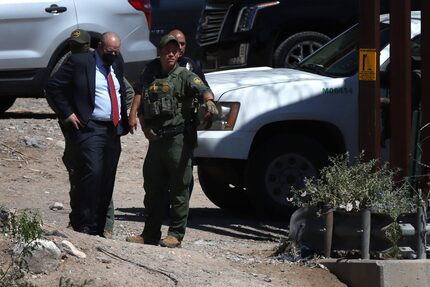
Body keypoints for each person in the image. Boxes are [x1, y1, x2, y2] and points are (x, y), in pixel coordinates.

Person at [126, 34, 218, 247]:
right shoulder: (150, 73)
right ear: (159, 52)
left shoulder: (185, 75)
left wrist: (210, 102)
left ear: (179, 54)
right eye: (166, 50)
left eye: (174, 51)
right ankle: (150, 233)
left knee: (179, 188)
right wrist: (140, 121)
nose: (170, 54)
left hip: (177, 140)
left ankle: (176, 234)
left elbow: (203, 89)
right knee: (152, 189)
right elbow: (141, 95)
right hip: (155, 141)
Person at [47, 29, 135, 238]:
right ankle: (82, 224)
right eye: (110, 51)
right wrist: (67, 113)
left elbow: (123, 91)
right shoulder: (80, 62)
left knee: (107, 177)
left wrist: (127, 115)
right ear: (100, 47)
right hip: (90, 127)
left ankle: (98, 226)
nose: (113, 55)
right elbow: (53, 87)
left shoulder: (116, 64)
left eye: (117, 52)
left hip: (113, 129)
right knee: (92, 173)